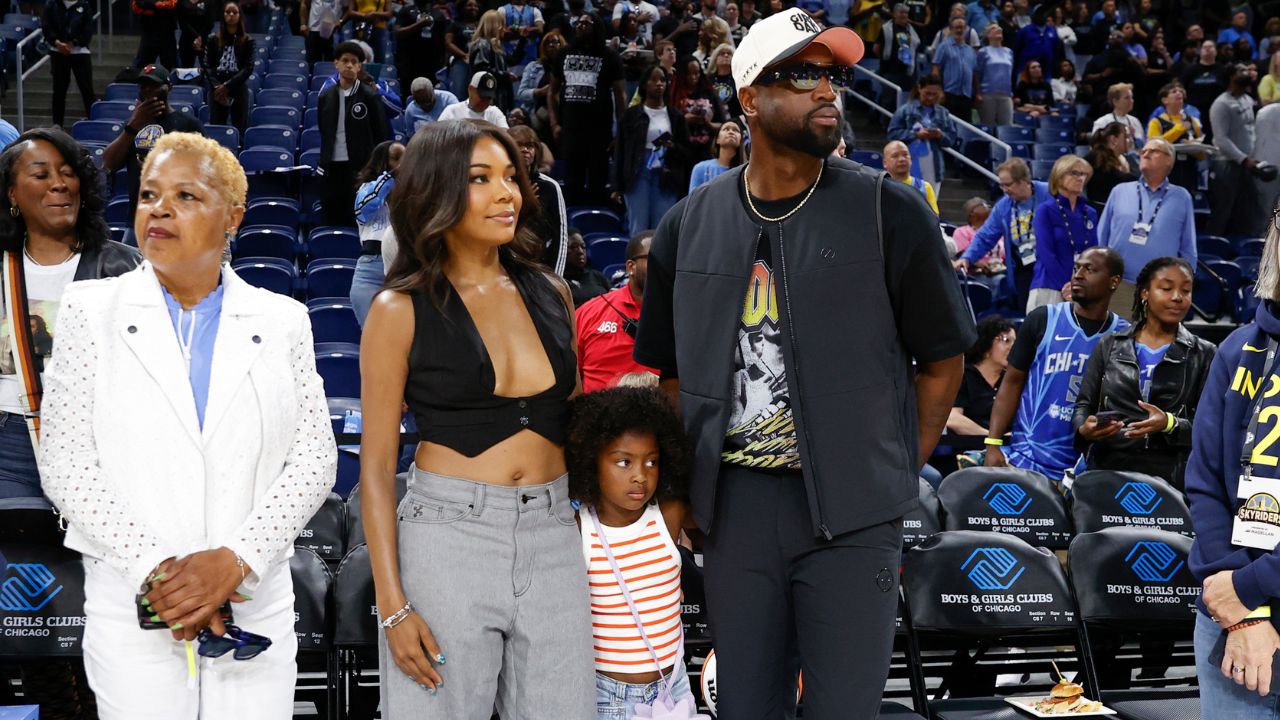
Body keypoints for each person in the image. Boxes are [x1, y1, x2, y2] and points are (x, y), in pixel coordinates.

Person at [633, 11, 975, 717]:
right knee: (745, 707)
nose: (828, 92)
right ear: (750, 97)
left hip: (855, 516)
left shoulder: (892, 211)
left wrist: (890, 469)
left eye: (834, 76)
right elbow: (670, 375)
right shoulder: (686, 225)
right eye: (804, 74)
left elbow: (942, 361)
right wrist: (680, 488)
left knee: (843, 710)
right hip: (735, 510)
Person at [38, 130, 336, 720]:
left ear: (233, 216)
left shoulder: (284, 321)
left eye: (186, 196)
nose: (160, 209)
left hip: (251, 599)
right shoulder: (89, 311)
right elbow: (66, 463)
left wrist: (235, 560)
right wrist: (164, 575)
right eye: (149, 195)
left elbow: (314, 459)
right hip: (135, 602)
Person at [360, 121, 594, 719]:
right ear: (436, 191)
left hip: (553, 533)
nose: (507, 193)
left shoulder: (551, 289)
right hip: (447, 537)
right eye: (481, 179)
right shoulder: (397, 309)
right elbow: (378, 467)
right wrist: (393, 603)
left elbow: (574, 418)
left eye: (512, 177)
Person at [0, 128, 141, 500]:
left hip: (97, 444)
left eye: (67, 173)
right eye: (42, 174)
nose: (60, 184)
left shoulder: (125, 267)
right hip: (7, 449)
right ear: (12, 194)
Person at [1187, 200, 1280, 717]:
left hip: (1243, 589)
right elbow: (1204, 482)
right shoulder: (1237, 350)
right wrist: (1243, 609)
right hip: (1233, 615)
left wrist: (1250, 587)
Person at [564, 386, 694, 715]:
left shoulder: (668, 515)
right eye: (624, 462)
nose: (640, 475)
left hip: (673, 688)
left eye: (652, 461)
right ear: (590, 461)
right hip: (608, 694)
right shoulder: (579, 529)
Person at [983, 247, 1127, 481]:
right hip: (1028, 457)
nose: (1078, 274)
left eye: (1089, 269)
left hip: (1086, 465)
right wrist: (993, 443)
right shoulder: (1042, 319)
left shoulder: (1123, 334)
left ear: (1114, 281)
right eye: (1076, 267)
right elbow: (1011, 382)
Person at [1074, 256, 1213, 489]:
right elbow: (1083, 406)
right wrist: (1085, 429)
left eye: (1186, 290)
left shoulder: (1205, 353)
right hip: (1110, 471)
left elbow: (1209, 425)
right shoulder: (1109, 345)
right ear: (1144, 293)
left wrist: (1169, 423)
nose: (1178, 297)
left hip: (1172, 477)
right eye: (1166, 288)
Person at [1097, 137, 1197, 319]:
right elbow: (1100, 241)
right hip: (1119, 286)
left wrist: (1184, 286)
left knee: (1154, 345)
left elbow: (1188, 247)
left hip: (1160, 289)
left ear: (1169, 160)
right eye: (1143, 151)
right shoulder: (1119, 191)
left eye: (1153, 151)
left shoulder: (1181, 197)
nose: (1145, 153)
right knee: (1115, 344)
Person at [102, 64, 204, 218]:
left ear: (169, 88)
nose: (148, 90)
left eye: (154, 85)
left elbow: (203, 172)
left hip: (177, 216)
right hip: (139, 218)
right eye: (143, 86)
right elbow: (109, 163)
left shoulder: (188, 124)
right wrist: (132, 127)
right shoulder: (132, 125)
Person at [955, 157, 1053, 313]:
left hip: (1051, 267)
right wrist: (967, 258)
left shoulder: (1049, 193)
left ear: (1024, 180)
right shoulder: (1004, 205)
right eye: (1001, 185)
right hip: (1023, 269)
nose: (1004, 189)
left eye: (1008, 184)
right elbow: (985, 236)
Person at [549, 12, 626, 205]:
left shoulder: (610, 56)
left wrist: (620, 131)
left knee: (597, 184)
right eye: (578, 23)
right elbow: (552, 92)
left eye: (586, 23)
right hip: (571, 129)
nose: (580, 26)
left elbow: (620, 95)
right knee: (572, 183)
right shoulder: (563, 53)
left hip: (599, 131)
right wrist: (554, 123)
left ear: (597, 27)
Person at [318, 41, 390, 228]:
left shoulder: (369, 96)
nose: (349, 65)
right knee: (332, 214)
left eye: (354, 62)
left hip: (359, 167)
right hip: (332, 166)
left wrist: (374, 167)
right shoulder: (326, 96)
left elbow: (380, 133)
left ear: (359, 67)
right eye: (345, 60)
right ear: (337, 64)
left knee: (355, 217)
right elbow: (323, 129)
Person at [575, 233, 659, 391]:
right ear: (630, 267)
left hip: (659, 412)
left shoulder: (681, 314)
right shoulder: (591, 311)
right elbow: (570, 375)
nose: (662, 265)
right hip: (599, 412)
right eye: (653, 259)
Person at [613, 65, 689, 236]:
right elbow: (621, 150)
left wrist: (673, 147)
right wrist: (616, 185)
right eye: (653, 80)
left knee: (661, 228)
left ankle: (658, 263)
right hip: (638, 171)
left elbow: (687, 150)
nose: (659, 84)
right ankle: (635, 262)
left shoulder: (676, 116)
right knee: (638, 226)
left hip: (666, 173)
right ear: (644, 84)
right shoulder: (631, 115)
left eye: (662, 80)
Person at [1030, 154, 1096, 311]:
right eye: (1074, 173)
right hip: (1049, 285)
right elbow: (1046, 253)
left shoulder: (1090, 213)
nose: (1080, 178)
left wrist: (1080, 285)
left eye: (1083, 174)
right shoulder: (1045, 210)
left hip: (1081, 289)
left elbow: (1093, 253)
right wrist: (1067, 285)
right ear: (1059, 177)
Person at [349, 141, 404, 326]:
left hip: (404, 267)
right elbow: (364, 211)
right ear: (382, 162)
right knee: (374, 339)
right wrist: (389, 178)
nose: (403, 163)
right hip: (371, 269)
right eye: (397, 158)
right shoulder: (367, 188)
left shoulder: (414, 192)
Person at [1208, 65, 1265, 236]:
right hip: (1227, 164)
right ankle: (1215, 250)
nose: (1247, 73)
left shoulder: (1247, 99)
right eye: (1242, 71)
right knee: (1223, 210)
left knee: (1249, 211)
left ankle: (1245, 251)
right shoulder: (1221, 104)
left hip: (1248, 164)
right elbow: (1221, 139)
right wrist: (1244, 159)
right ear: (1231, 77)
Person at [509, 124, 569, 275]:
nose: (525, 150)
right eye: (519, 145)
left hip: (541, 266)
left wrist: (556, 278)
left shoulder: (550, 186)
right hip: (506, 262)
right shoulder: (502, 183)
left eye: (530, 145)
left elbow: (560, 237)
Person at [886, 74, 960, 191]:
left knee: (930, 203)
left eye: (934, 94)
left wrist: (939, 135)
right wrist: (915, 134)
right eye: (927, 93)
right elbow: (892, 134)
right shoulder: (905, 110)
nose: (930, 98)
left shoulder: (943, 113)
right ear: (919, 89)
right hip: (910, 161)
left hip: (933, 165)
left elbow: (951, 139)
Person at [948, 315, 1016, 435]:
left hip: (1007, 450)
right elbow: (953, 419)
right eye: (1006, 340)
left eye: (1015, 342)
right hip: (969, 449)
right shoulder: (963, 376)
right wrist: (990, 438)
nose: (1013, 348)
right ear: (986, 342)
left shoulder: (1012, 380)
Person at [202, 2, 254, 133]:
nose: (231, 15)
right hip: (216, 88)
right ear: (223, 16)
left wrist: (227, 86)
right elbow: (207, 65)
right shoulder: (213, 39)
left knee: (240, 128)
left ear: (240, 16)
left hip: (238, 86)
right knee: (216, 128)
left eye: (234, 12)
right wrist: (217, 87)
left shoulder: (248, 41)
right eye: (228, 12)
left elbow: (248, 67)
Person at [42, 0, 96, 128]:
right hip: (58, 51)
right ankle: (57, 124)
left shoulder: (85, 5)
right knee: (59, 90)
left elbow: (88, 29)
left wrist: (74, 43)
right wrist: (57, 43)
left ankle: (94, 121)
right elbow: (46, 26)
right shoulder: (52, 4)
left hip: (80, 52)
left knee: (86, 89)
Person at [1147, 82, 1204, 191]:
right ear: (1165, 100)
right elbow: (1153, 145)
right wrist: (1178, 129)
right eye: (1174, 92)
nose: (1179, 93)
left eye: (1180, 91)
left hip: (1189, 170)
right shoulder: (1156, 122)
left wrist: (1196, 147)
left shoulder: (1193, 121)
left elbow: (1201, 155)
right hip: (1166, 171)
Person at [670, 55, 728, 161]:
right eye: (689, 74)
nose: (693, 77)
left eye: (696, 73)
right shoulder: (674, 94)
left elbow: (723, 124)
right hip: (681, 151)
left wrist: (708, 124)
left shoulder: (710, 93)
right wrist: (684, 120)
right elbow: (668, 123)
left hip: (707, 150)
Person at [394, 0, 451, 96]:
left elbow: (444, 40)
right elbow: (397, 32)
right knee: (409, 94)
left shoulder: (438, 14)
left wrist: (444, 62)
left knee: (429, 94)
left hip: (432, 63)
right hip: (409, 61)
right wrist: (419, 25)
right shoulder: (406, 10)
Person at [873, 3, 921, 109]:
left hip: (908, 72)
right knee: (888, 102)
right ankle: (886, 124)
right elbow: (876, 49)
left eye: (906, 13)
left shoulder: (911, 30)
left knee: (907, 103)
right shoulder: (886, 29)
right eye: (901, 12)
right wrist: (885, 59)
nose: (904, 15)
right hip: (890, 71)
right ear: (894, 14)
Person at [932, 15, 978, 122]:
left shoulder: (970, 50)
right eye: (956, 27)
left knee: (966, 129)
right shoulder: (943, 46)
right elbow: (935, 69)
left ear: (966, 29)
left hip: (966, 96)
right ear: (951, 29)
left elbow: (975, 73)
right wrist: (939, 91)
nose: (959, 30)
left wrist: (978, 92)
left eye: (961, 27)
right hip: (949, 94)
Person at [1085, 121, 1139, 212]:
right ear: (1114, 139)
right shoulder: (1095, 157)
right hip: (1098, 212)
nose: (1131, 141)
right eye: (1126, 137)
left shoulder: (1129, 160)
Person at [1181, 40, 1226, 136]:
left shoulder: (1223, 70)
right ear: (1199, 51)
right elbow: (1182, 89)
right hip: (1194, 112)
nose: (1208, 49)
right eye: (1204, 47)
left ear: (1216, 51)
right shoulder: (1190, 70)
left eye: (1211, 47)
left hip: (1217, 111)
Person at [516, 30, 565, 118]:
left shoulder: (567, 68)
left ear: (561, 44)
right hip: (535, 115)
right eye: (547, 43)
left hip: (560, 114)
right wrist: (539, 92)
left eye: (554, 42)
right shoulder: (532, 67)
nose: (551, 45)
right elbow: (521, 94)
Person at [883, 139, 939, 214]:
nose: (901, 159)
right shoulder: (880, 187)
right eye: (895, 156)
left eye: (905, 154)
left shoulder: (925, 187)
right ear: (885, 163)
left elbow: (934, 219)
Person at [438, 71, 512, 127]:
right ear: (470, 90)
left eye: (488, 98)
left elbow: (505, 135)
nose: (485, 102)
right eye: (482, 97)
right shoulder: (452, 111)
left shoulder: (494, 113)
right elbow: (438, 138)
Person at [688, 119, 743, 192]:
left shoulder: (745, 172)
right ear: (717, 139)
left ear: (740, 140)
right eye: (726, 129)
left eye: (736, 130)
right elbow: (693, 201)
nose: (731, 132)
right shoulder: (701, 168)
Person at [952, 197, 1004, 274]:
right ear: (971, 212)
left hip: (1001, 271)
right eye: (983, 205)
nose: (988, 207)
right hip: (976, 274)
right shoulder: (961, 232)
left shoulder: (998, 231)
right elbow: (961, 257)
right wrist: (984, 266)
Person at [976, 23, 1014, 126]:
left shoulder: (1009, 52)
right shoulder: (983, 52)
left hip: (1006, 94)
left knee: (1007, 126)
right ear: (988, 35)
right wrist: (978, 92)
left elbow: (1011, 74)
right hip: (988, 94)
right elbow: (977, 73)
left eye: (999, 27)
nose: (998, 29)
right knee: (988, 125)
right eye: (994, 28)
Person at [565, 229, 612, 305]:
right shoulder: (560, 282)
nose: (580, 251)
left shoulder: (596, 275)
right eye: (573, 247)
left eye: (583, 247)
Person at [133, 0, 179, 70]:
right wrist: (156, 4)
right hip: (149, 31)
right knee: (144, 66)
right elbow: (138, 5)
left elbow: (172, 4)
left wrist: (150, 8)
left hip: (167, 31)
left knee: (169, 65)